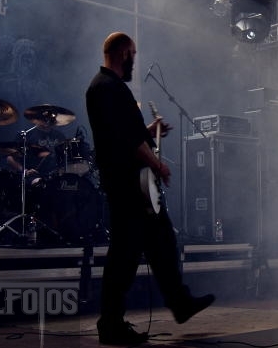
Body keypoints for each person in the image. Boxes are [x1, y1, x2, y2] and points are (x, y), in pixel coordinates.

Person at [86, 32, 215, 346]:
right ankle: (111, 324)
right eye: (133, 53)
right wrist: (158, 165)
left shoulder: (106, 88)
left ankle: (179, 303)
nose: (134, 60)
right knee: (125, 254)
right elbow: (127, 141)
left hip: (131, 183)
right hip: (127, 183)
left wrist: (150, 130)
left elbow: (127, 133)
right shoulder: (108, 88)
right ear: (123, 53)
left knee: (161, 240)